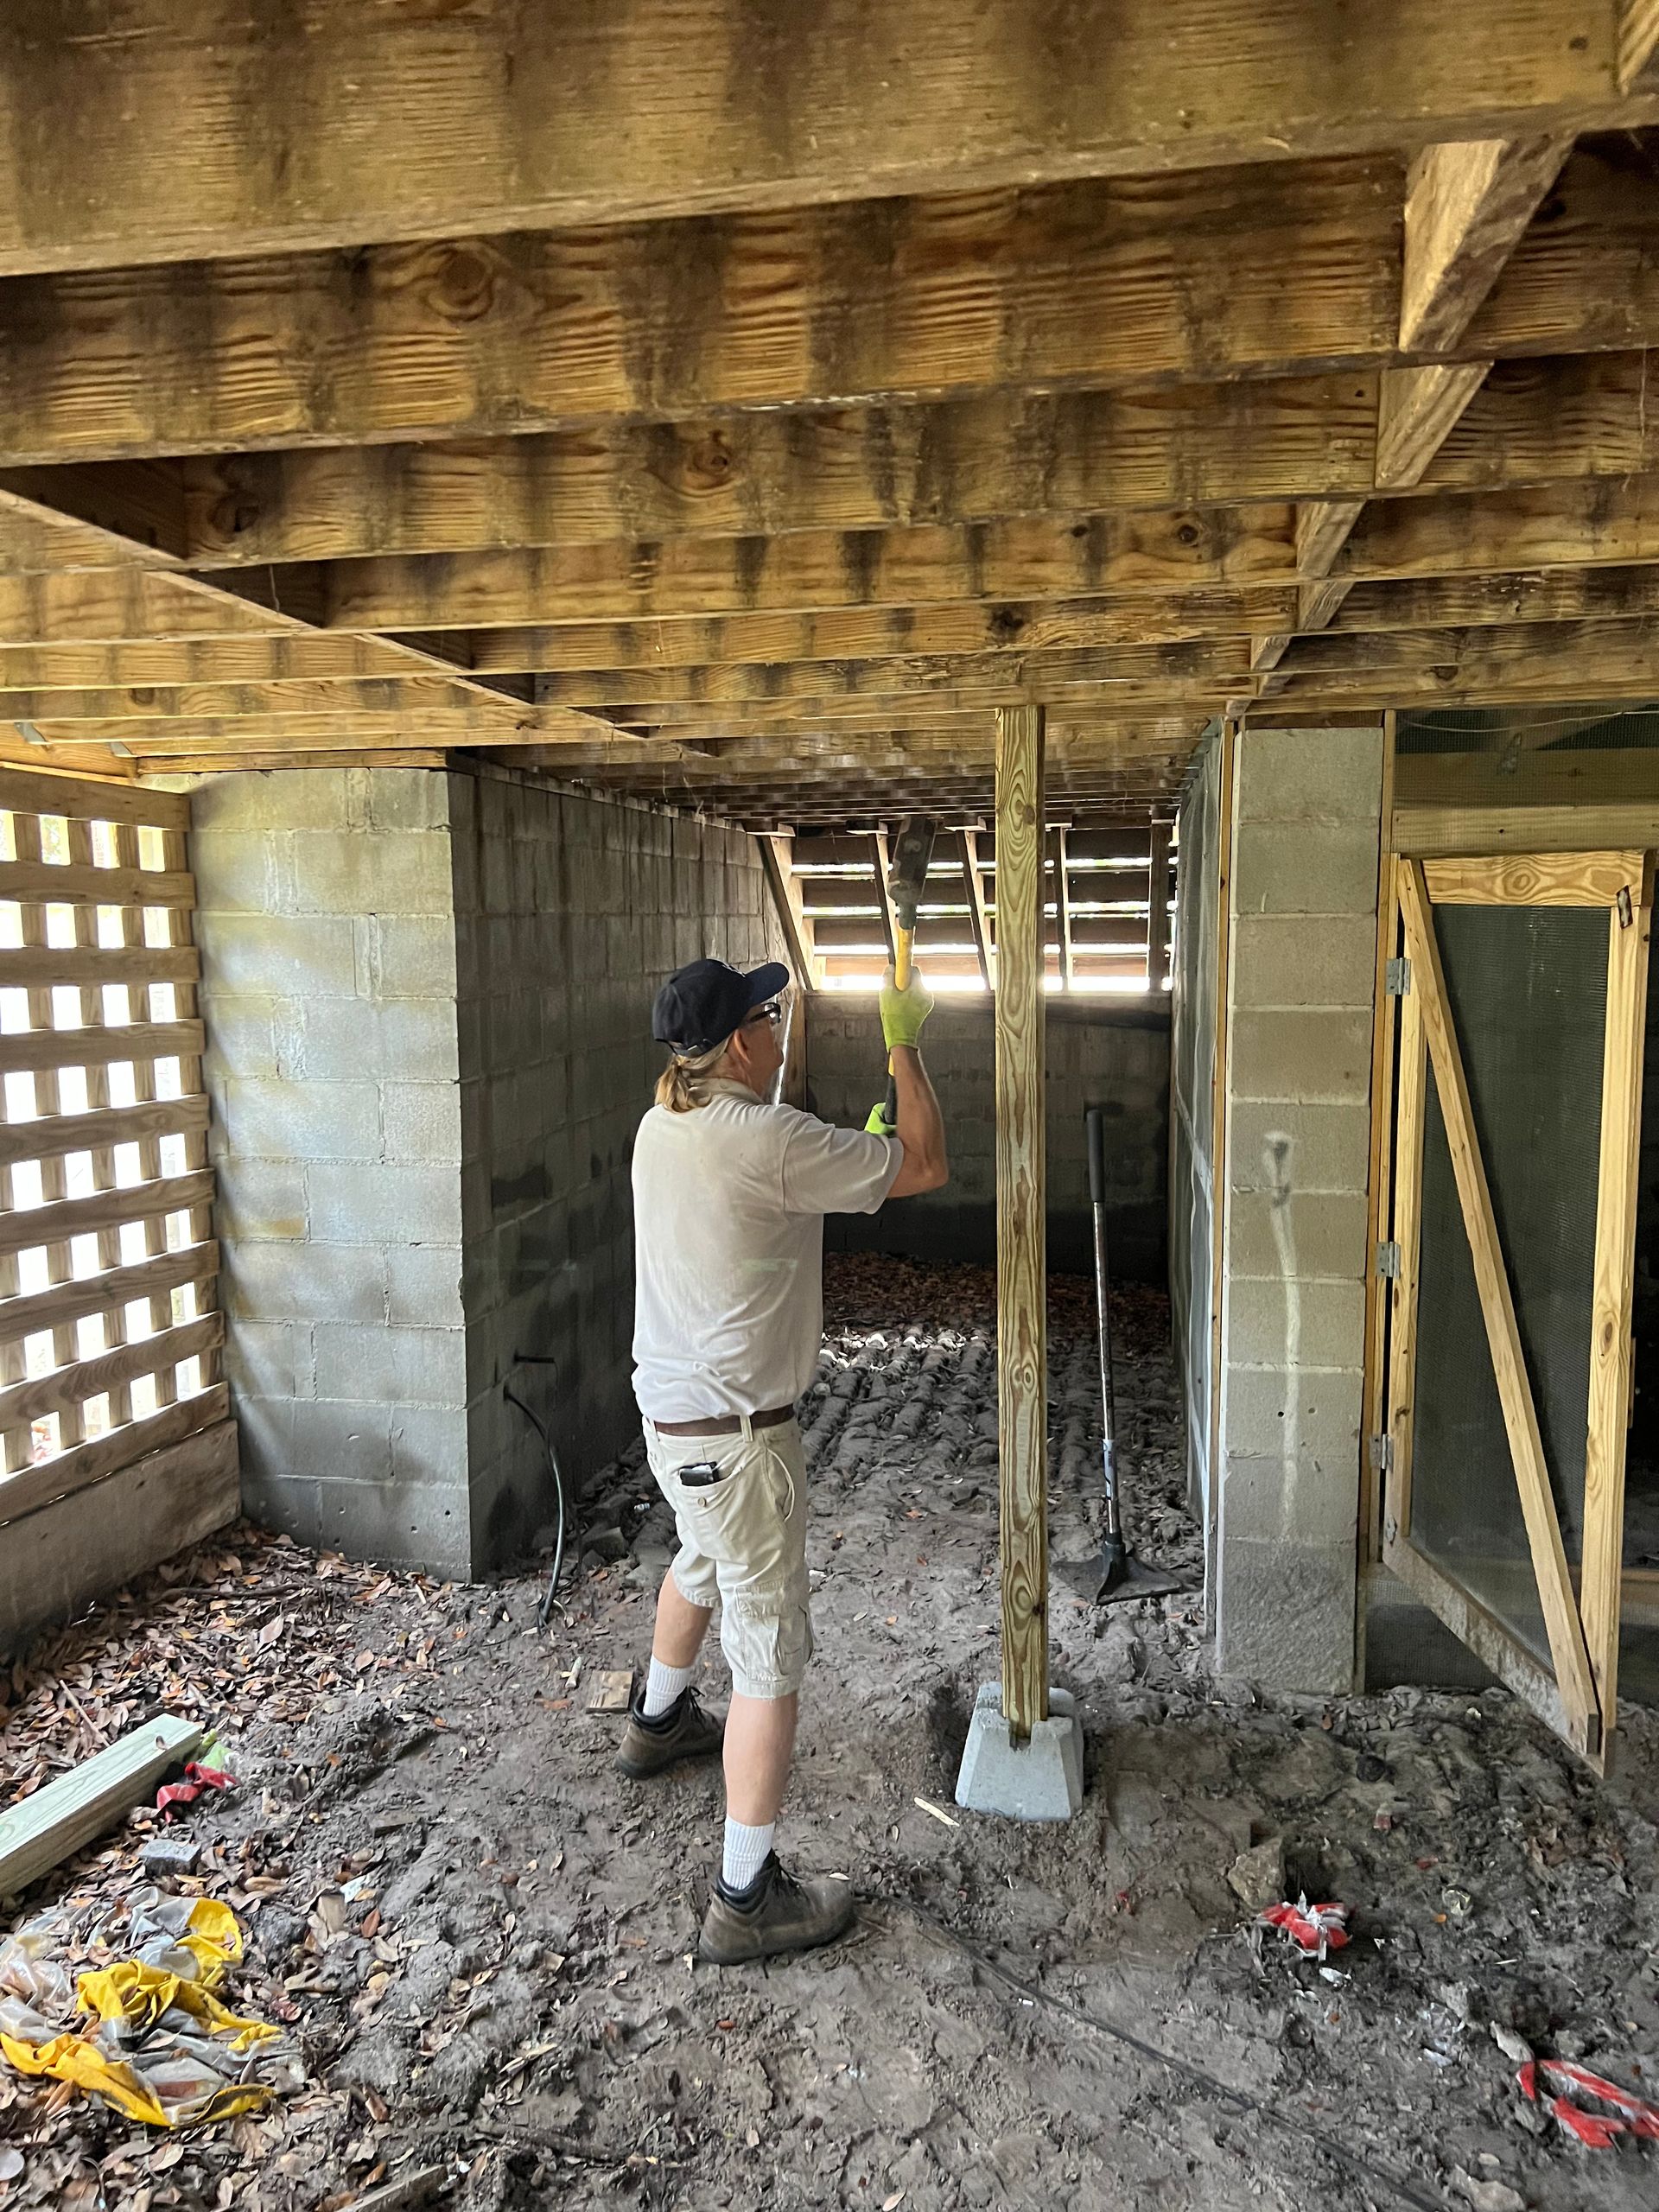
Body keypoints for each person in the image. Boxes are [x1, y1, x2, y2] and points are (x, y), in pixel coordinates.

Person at [620, 953, 947, 1964]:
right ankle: (745, 1896)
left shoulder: (662, 1124)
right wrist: (903, 1044)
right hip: (741, 1443)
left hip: (672, 1423)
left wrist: (855, 1156)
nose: (776, 1028)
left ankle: (657, 1721)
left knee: (702, 1555)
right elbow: (925, 1163)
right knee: (768, 1656)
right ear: (741, 1045)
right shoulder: (769, 1138)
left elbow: (768, 1205)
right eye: (766, 1017)